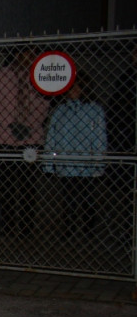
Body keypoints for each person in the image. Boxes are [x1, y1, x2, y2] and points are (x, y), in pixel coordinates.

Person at [0, 48, 50, 234]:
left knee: (28, 185)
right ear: (16, 54)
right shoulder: (1, 76)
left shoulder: (39, 77)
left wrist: (29, 125)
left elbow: (44, 103)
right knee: (6, 183)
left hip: (31, 138)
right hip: (5, 137)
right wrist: (11, 124)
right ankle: (7, 223)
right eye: (26, 53)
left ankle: (26, 225)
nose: (29, 57)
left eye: (33, 53)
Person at [42, 71, 107, 235]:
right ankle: (69, 227)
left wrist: (98, 162)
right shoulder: (61, 111)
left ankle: (88, 228)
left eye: (77, 88)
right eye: (70, 88)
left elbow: (99, 137)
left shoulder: (94, 110)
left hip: (86, 163)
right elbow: (52, 137)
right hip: (66, 163)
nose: (74, 91)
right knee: (68, 198)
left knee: (87, 197)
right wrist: (49, 162)